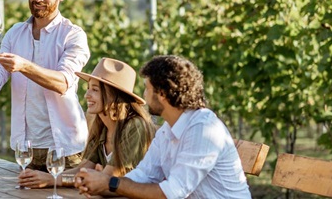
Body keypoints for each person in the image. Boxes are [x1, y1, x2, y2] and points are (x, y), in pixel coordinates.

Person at [75, 55, 251, 199]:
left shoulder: (203, 129)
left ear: (162, 94)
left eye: (147, 88)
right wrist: (101, 184)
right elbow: (143, 176)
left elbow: (172, 193)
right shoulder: (168, 130)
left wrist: (109, 183)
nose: (144, 94)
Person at [0, 0, 90, 170]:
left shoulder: (72, 35)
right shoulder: (14, 33)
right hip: (25, 148)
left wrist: (25, 66)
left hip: (65, 149)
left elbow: (63, 83)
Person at [18, 57, 156, 188]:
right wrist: (51, 179)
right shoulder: (101, 126)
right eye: (88, 88)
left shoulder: (135, 126)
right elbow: (81, 170)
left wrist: (54, 180)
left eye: (95, 90)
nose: (87, 95)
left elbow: (106, 179)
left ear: (112, 95)